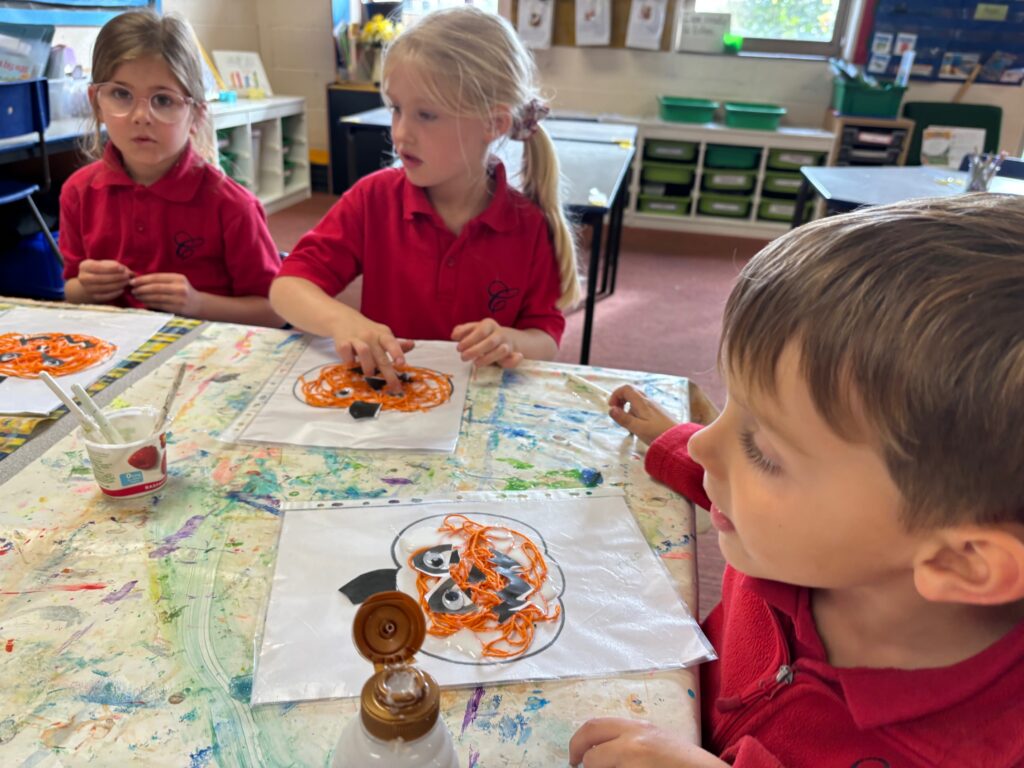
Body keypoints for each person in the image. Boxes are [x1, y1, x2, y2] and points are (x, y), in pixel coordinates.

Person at [570, 194, 1024, 767]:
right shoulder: (803, 543)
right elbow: (742, 475)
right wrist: (670, 440)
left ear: (960, 563)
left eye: (762, 448)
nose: (709, 443)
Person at [270, 6, 579, 392]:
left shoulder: (528, 225)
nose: (400, 133)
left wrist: (510, 341)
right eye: (397, 109)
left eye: (426, 115)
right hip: (390, 400)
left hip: (480, 408)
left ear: (493, 123)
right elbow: (287, 288)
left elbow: (546, 338)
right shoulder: (375, 199)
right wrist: (342, 321)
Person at [60, 11, 283, 327]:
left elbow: (273, 312)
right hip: (113, 350)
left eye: (163, 100)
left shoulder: (233, 206)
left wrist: (196, 303)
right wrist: (86, 288)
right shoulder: (78, 192)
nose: (141, 116)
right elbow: (71, 290)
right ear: (97, 103)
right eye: (121, 94)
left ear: (196, 115)